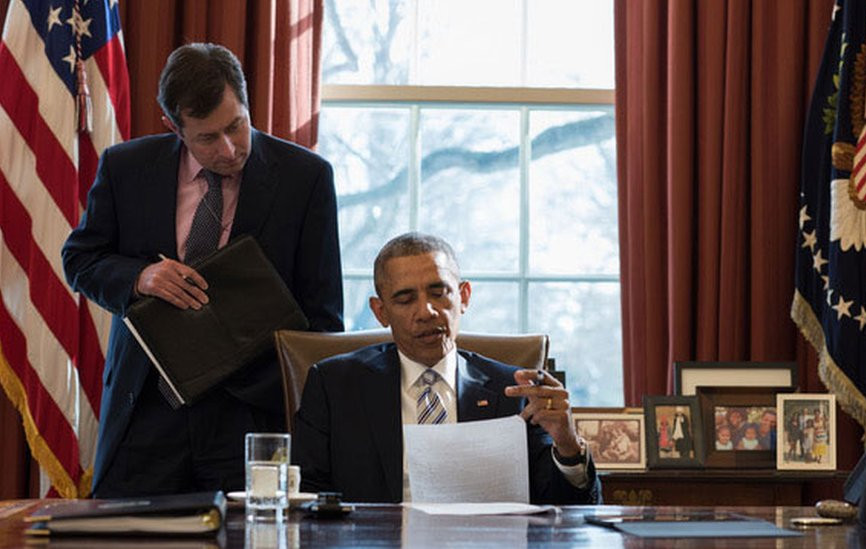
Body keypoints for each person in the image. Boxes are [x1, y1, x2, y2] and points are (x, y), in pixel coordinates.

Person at [62, 43, 343, 497]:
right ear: (174, 127)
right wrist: (139, 278)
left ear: (247, 103)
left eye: (236, 126)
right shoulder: (125, 167)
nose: (230, 149)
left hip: (250, 415)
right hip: (146, 412)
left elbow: (324, 318)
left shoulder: (305, 178)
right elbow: (80, 259)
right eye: (207, 138)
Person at [293, 233, 600, 504]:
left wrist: (568, 444)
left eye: (439, 293)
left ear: (464, 296)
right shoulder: (334, 386)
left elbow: (565, 509)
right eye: (405, 299)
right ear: (380, 311)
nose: (426, 311)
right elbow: (307, 496)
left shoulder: (513, 391)